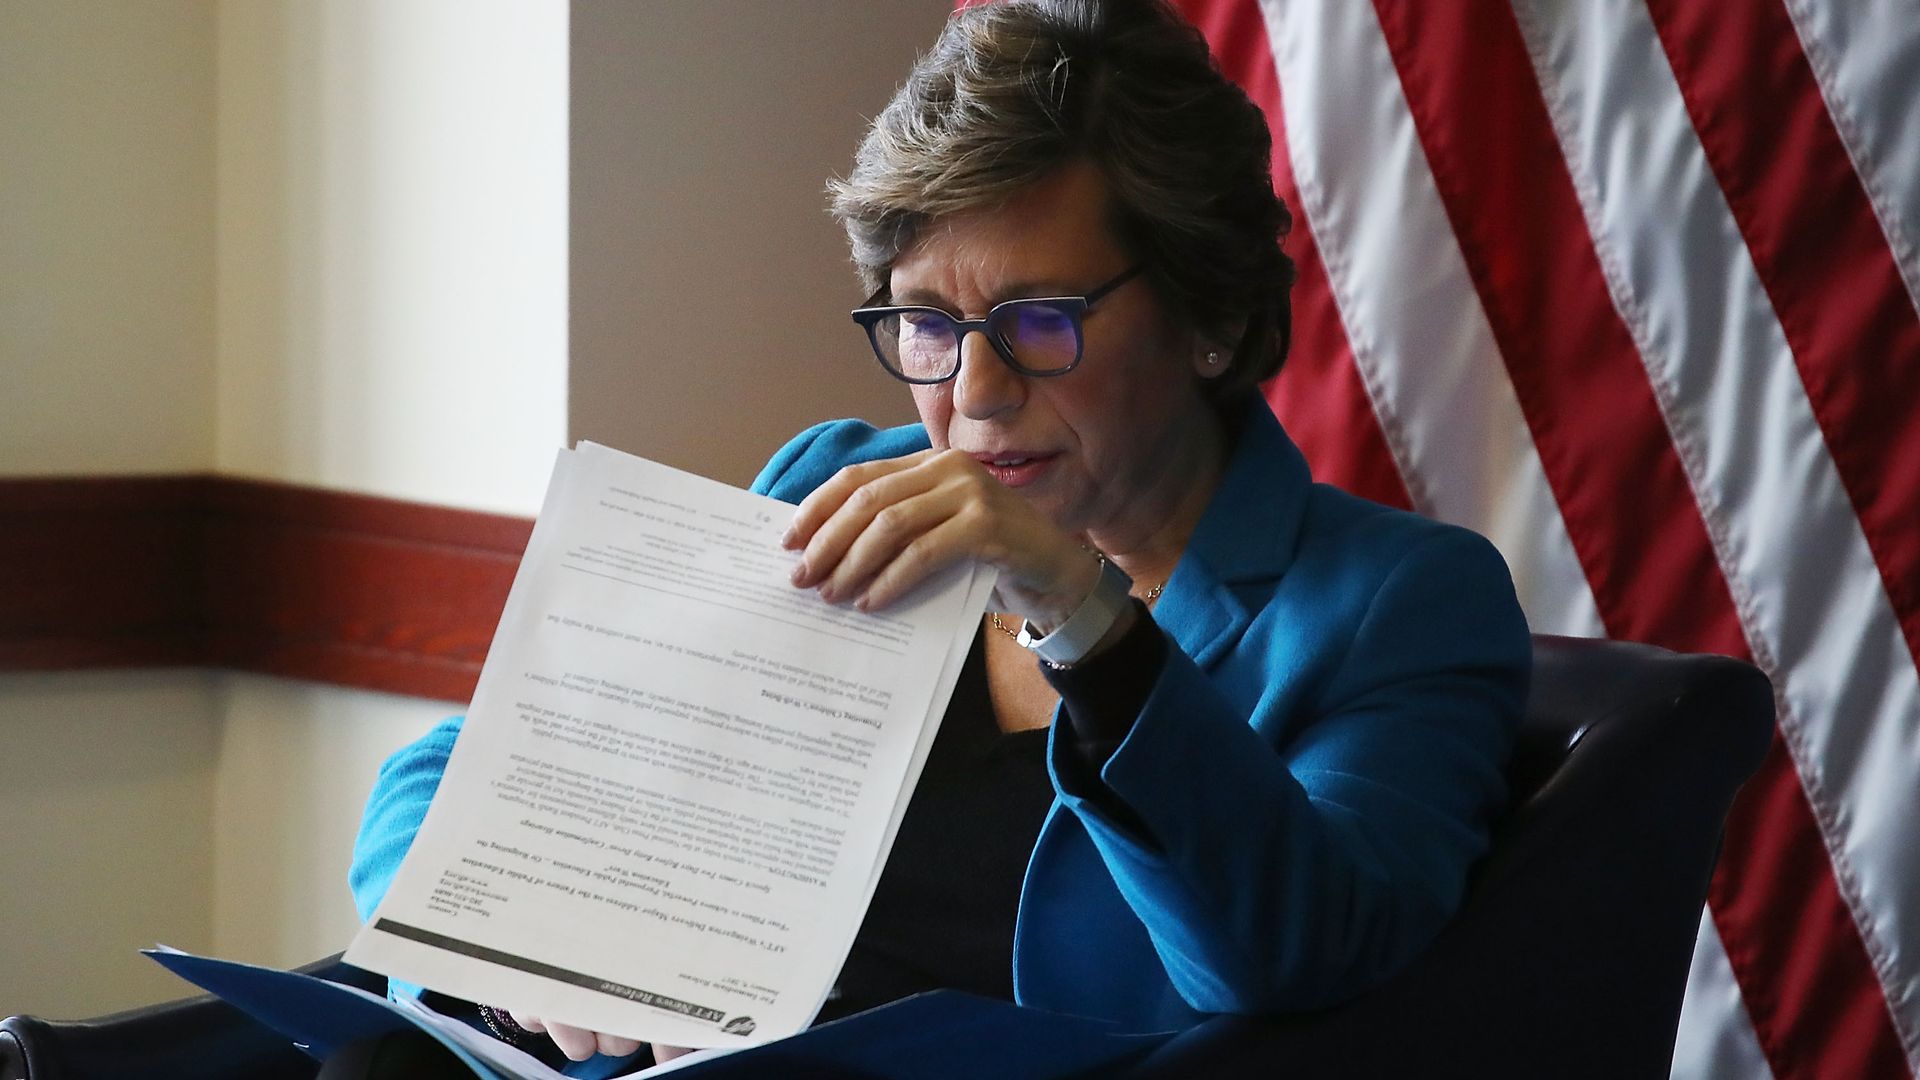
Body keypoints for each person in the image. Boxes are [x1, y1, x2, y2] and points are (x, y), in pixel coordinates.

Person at [347, 0, 1531, 1071]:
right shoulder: (838, 485)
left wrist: (1084, 614)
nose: (972, 394)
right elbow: (455, 774)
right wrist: (502, 963)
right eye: (925, 323)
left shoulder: (1397, 602)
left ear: (1210, 313)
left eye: (1039, 321)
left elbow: (1294, 957)